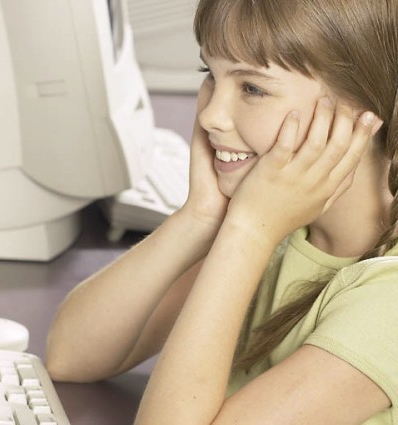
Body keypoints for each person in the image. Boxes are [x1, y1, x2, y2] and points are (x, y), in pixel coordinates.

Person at [45, 0, 398, 423]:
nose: (211, 115)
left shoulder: (386, 301)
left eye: (253, 88)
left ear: (365, 111)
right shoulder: (279, 218)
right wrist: (199, 217)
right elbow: (71, 356)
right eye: (210, 76)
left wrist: (249, 233)